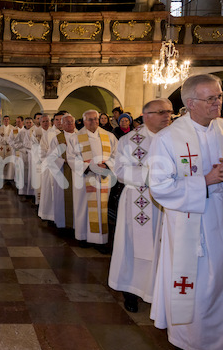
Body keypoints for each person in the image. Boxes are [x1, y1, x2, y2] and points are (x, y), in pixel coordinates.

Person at [149, 74, 223, 350]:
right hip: (191, 227)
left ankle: (220, 339)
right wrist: (207, 180)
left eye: (219, 96)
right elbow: (159, 186)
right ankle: (187, 343)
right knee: (195, 288)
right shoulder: (168, 138)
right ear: (190, 103)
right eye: (210, 98)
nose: (217, 103)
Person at [108, 98, 173, 313]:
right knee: (133, 246)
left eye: (169, 112)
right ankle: (131, 290)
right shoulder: (129, 140)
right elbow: (120, 171)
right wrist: (153, 176)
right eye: (161, 112)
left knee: (165, 247)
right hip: (138, 200)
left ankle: (160, 292)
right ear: (146, 116)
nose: (167, 116)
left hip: (170, 203)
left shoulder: (176, 139)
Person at [67, 110, 117, 252]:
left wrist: (107, 165)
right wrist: (89, 166)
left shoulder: (109, 136)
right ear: (84, 121)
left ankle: (100, 239)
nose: (93, 122)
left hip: (103, 177)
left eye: (95, 119)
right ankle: (82, 236)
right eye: (89, 119)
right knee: (83, 206)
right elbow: (71, 157)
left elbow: (117, 154)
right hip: (85, 177)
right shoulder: (76, 138)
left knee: (102, 207)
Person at [0, 115, 15, 182]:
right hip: (1, 147)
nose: (6, 121)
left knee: (9, 161)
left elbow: (15, 138)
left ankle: (9, 176)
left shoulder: (13, 128)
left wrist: (8, 141)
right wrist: (5, 141)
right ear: (3, 120)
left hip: (9, 147)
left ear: (9, 120)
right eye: (5, 119)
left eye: (7, 119)